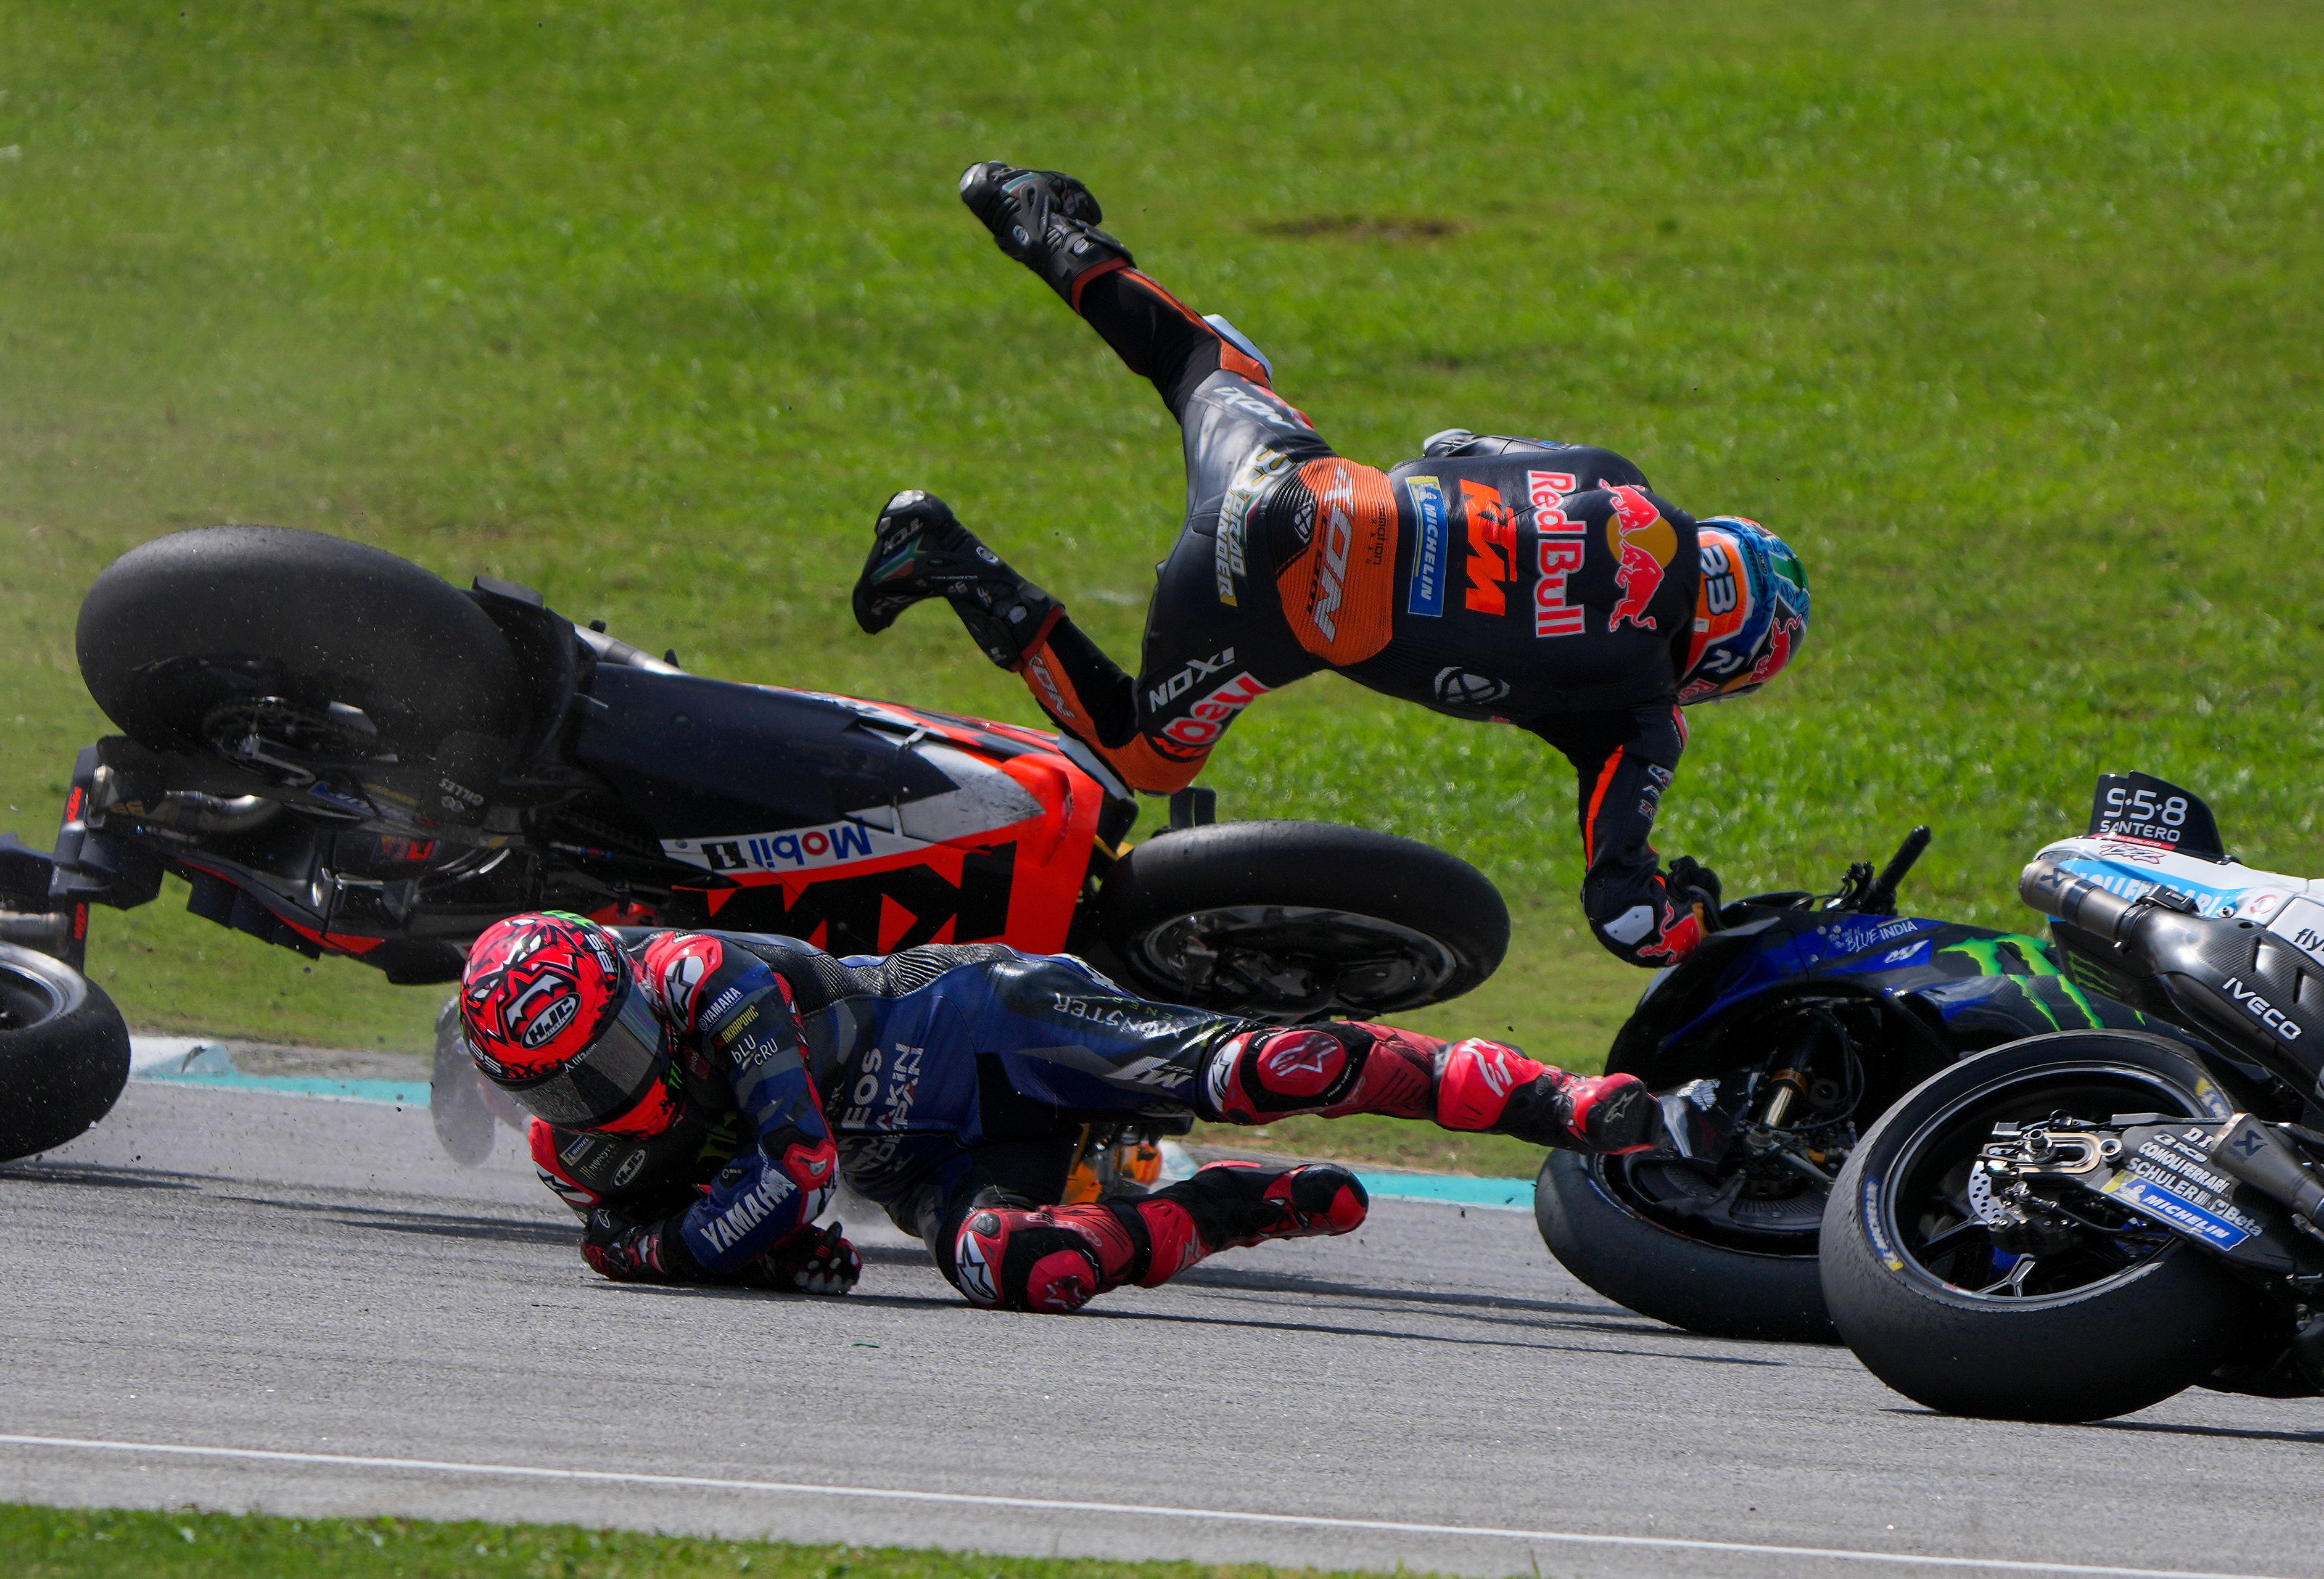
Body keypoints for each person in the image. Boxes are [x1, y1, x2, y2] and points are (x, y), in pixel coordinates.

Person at [852, 163, 1812, 969]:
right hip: (1260, 610)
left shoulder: (1616, 480)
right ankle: (952, 561)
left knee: (1199, 362)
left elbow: (1447, 445)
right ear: (1721, 665)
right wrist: (1697, 919)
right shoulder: (1645, 713)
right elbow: (1626, 917)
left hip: (1290, 481)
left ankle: (1035, 219)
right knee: (1139, 754)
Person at [458, 910, 1669, 1310]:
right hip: (931, 1168)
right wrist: (704, 1247)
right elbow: (742, 1242)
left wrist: (673, 1244)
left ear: (627, 989)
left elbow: (795, 1162)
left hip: (975, 1028)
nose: (605, 1082)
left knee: (1270, 1067)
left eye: (608, 1043)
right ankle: (1230, 1205)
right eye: (567, 1077)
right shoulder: (581, 1151)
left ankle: (1561, 1100)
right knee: (1020, 1269)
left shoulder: (703, 980)